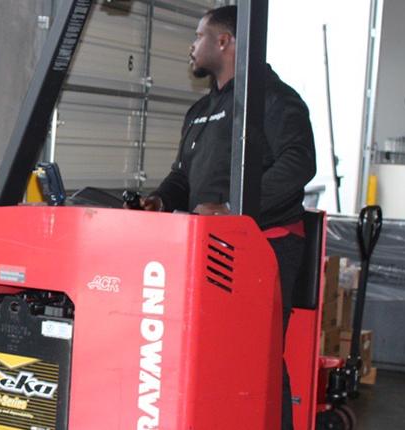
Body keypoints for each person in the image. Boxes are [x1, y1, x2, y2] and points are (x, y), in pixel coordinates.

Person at [140, 5, 316, 429]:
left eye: (199, 36)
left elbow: (299, 163)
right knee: (210, 350)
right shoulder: (199, 112)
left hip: (265, 245)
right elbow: (182, 177)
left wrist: (237, 208)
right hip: (210, 248)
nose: (192, 46)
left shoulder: (274, 100)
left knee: (258, 353)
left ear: (224, 41)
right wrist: (160, 201)